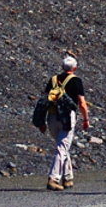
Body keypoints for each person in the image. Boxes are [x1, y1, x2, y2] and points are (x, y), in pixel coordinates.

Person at [38, 55, 90, 191]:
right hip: (67, 117)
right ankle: (53, 178)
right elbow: (82, 103)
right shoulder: (76, 81)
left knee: (62, 147)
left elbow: (43, 101)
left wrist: (41, 121)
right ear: (75, 68)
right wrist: (86, 119)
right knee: (62, 147)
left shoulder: (53, 80)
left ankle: (68, 178)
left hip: (52, 116)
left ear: (62, 67)